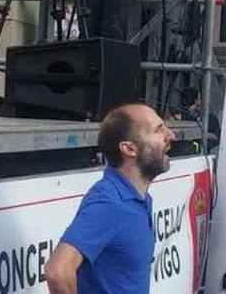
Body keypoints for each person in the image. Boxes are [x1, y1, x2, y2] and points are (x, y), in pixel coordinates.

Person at [45, 103, 174, 293]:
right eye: (158, 130)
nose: (171, 135)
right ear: (129, 149)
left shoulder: (138, 198)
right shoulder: (109, 202)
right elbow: (58, 271)